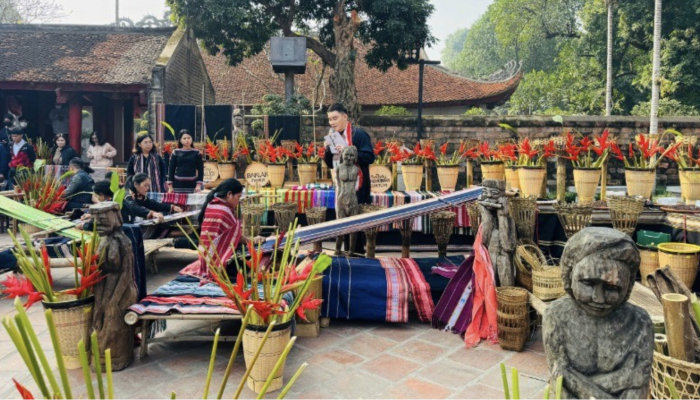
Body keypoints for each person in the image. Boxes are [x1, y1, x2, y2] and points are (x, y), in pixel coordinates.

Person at [183, 179, 264, 280]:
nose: (238, 201)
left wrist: (252, 240)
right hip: (218, 263)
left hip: (206, 258)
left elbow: (232, 236)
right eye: (238, 197)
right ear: (229, 194)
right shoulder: (224, 211)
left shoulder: (212, 205)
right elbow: (236, 238)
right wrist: (253, 241)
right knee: (258, 257)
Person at [323, 103, 375, 204]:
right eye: (330, 119)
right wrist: (328, 149)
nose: (332, 122)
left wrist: (348, 151)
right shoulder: (333, 137)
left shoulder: (359, 134)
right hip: (339, 186)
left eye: (335, 118)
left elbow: (370, 157)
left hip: (358, 188)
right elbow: (330, 164)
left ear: (344, 116)